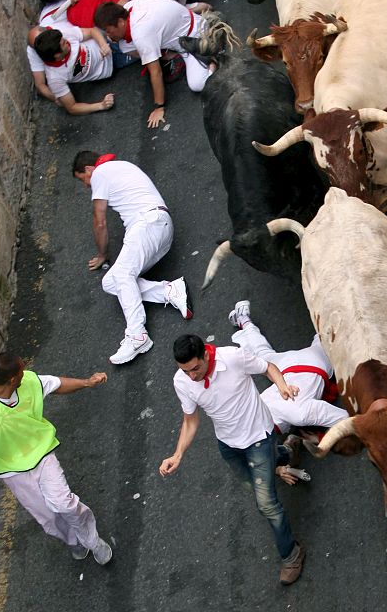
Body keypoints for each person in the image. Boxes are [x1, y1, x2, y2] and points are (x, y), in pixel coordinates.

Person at [159, 330, 307, 586]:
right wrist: (178, 454)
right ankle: (289, 450)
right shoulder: (182, 382)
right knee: (253, 483)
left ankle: (292, 554)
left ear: (205, 355)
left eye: (195, 369)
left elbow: (267, 367)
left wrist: (282, 386)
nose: (191, 376)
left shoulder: (234, 357)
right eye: (185, 371)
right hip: (228, 445)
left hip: (259, 437)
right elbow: (190, 421)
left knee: (266, 504)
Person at [0, 352, 112, 565]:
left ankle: (92, 541)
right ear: (12, 379)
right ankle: (74, 541)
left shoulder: (28, 381)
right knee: (49, 519)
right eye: (21, 370)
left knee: (64, 504)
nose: (26, 371)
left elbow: (56, 384)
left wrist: (87, 383)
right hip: (13, 471)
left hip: (42, 454)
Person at [72, 151, 192, 364]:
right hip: (160, 230)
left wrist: (103, 255)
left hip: (147, 225)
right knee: (110, 282)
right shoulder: (120, 167)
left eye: (84, 179)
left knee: (123, 275)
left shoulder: (100, 172)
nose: (87, 186)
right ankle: (169, 291)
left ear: (89, 169)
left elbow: (99, 220)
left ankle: (138, 335)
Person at [228, 300, 350, 484]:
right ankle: (243, 318)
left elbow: (347, 419)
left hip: (313, 362)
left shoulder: (299, 414)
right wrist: (277, 469)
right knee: (261, 352)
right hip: (282, 367)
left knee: (327, 331)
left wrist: (321, 438)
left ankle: (337, 303)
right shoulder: (250, 410)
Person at [93, 0, 217, 127]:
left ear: (120, 22)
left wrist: (159, 107)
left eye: (108, 30)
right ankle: (170, 55)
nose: (108, 36)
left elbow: (156, 72)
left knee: (198, 84)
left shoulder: (141, 33)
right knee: (125, 47)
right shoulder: (128, 8)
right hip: (179, 30)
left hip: (194, 36)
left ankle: (210, 59)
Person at [31, 24, 134, 113]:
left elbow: (92, 31)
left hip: (109, 42)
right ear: (57, 55)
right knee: (144, 53)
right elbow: (72, 107)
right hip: (112, 64)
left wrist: (103, 45)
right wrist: (101, 105)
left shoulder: (62, 36)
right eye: (63, 44)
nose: (66, 41)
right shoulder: (55, 78)